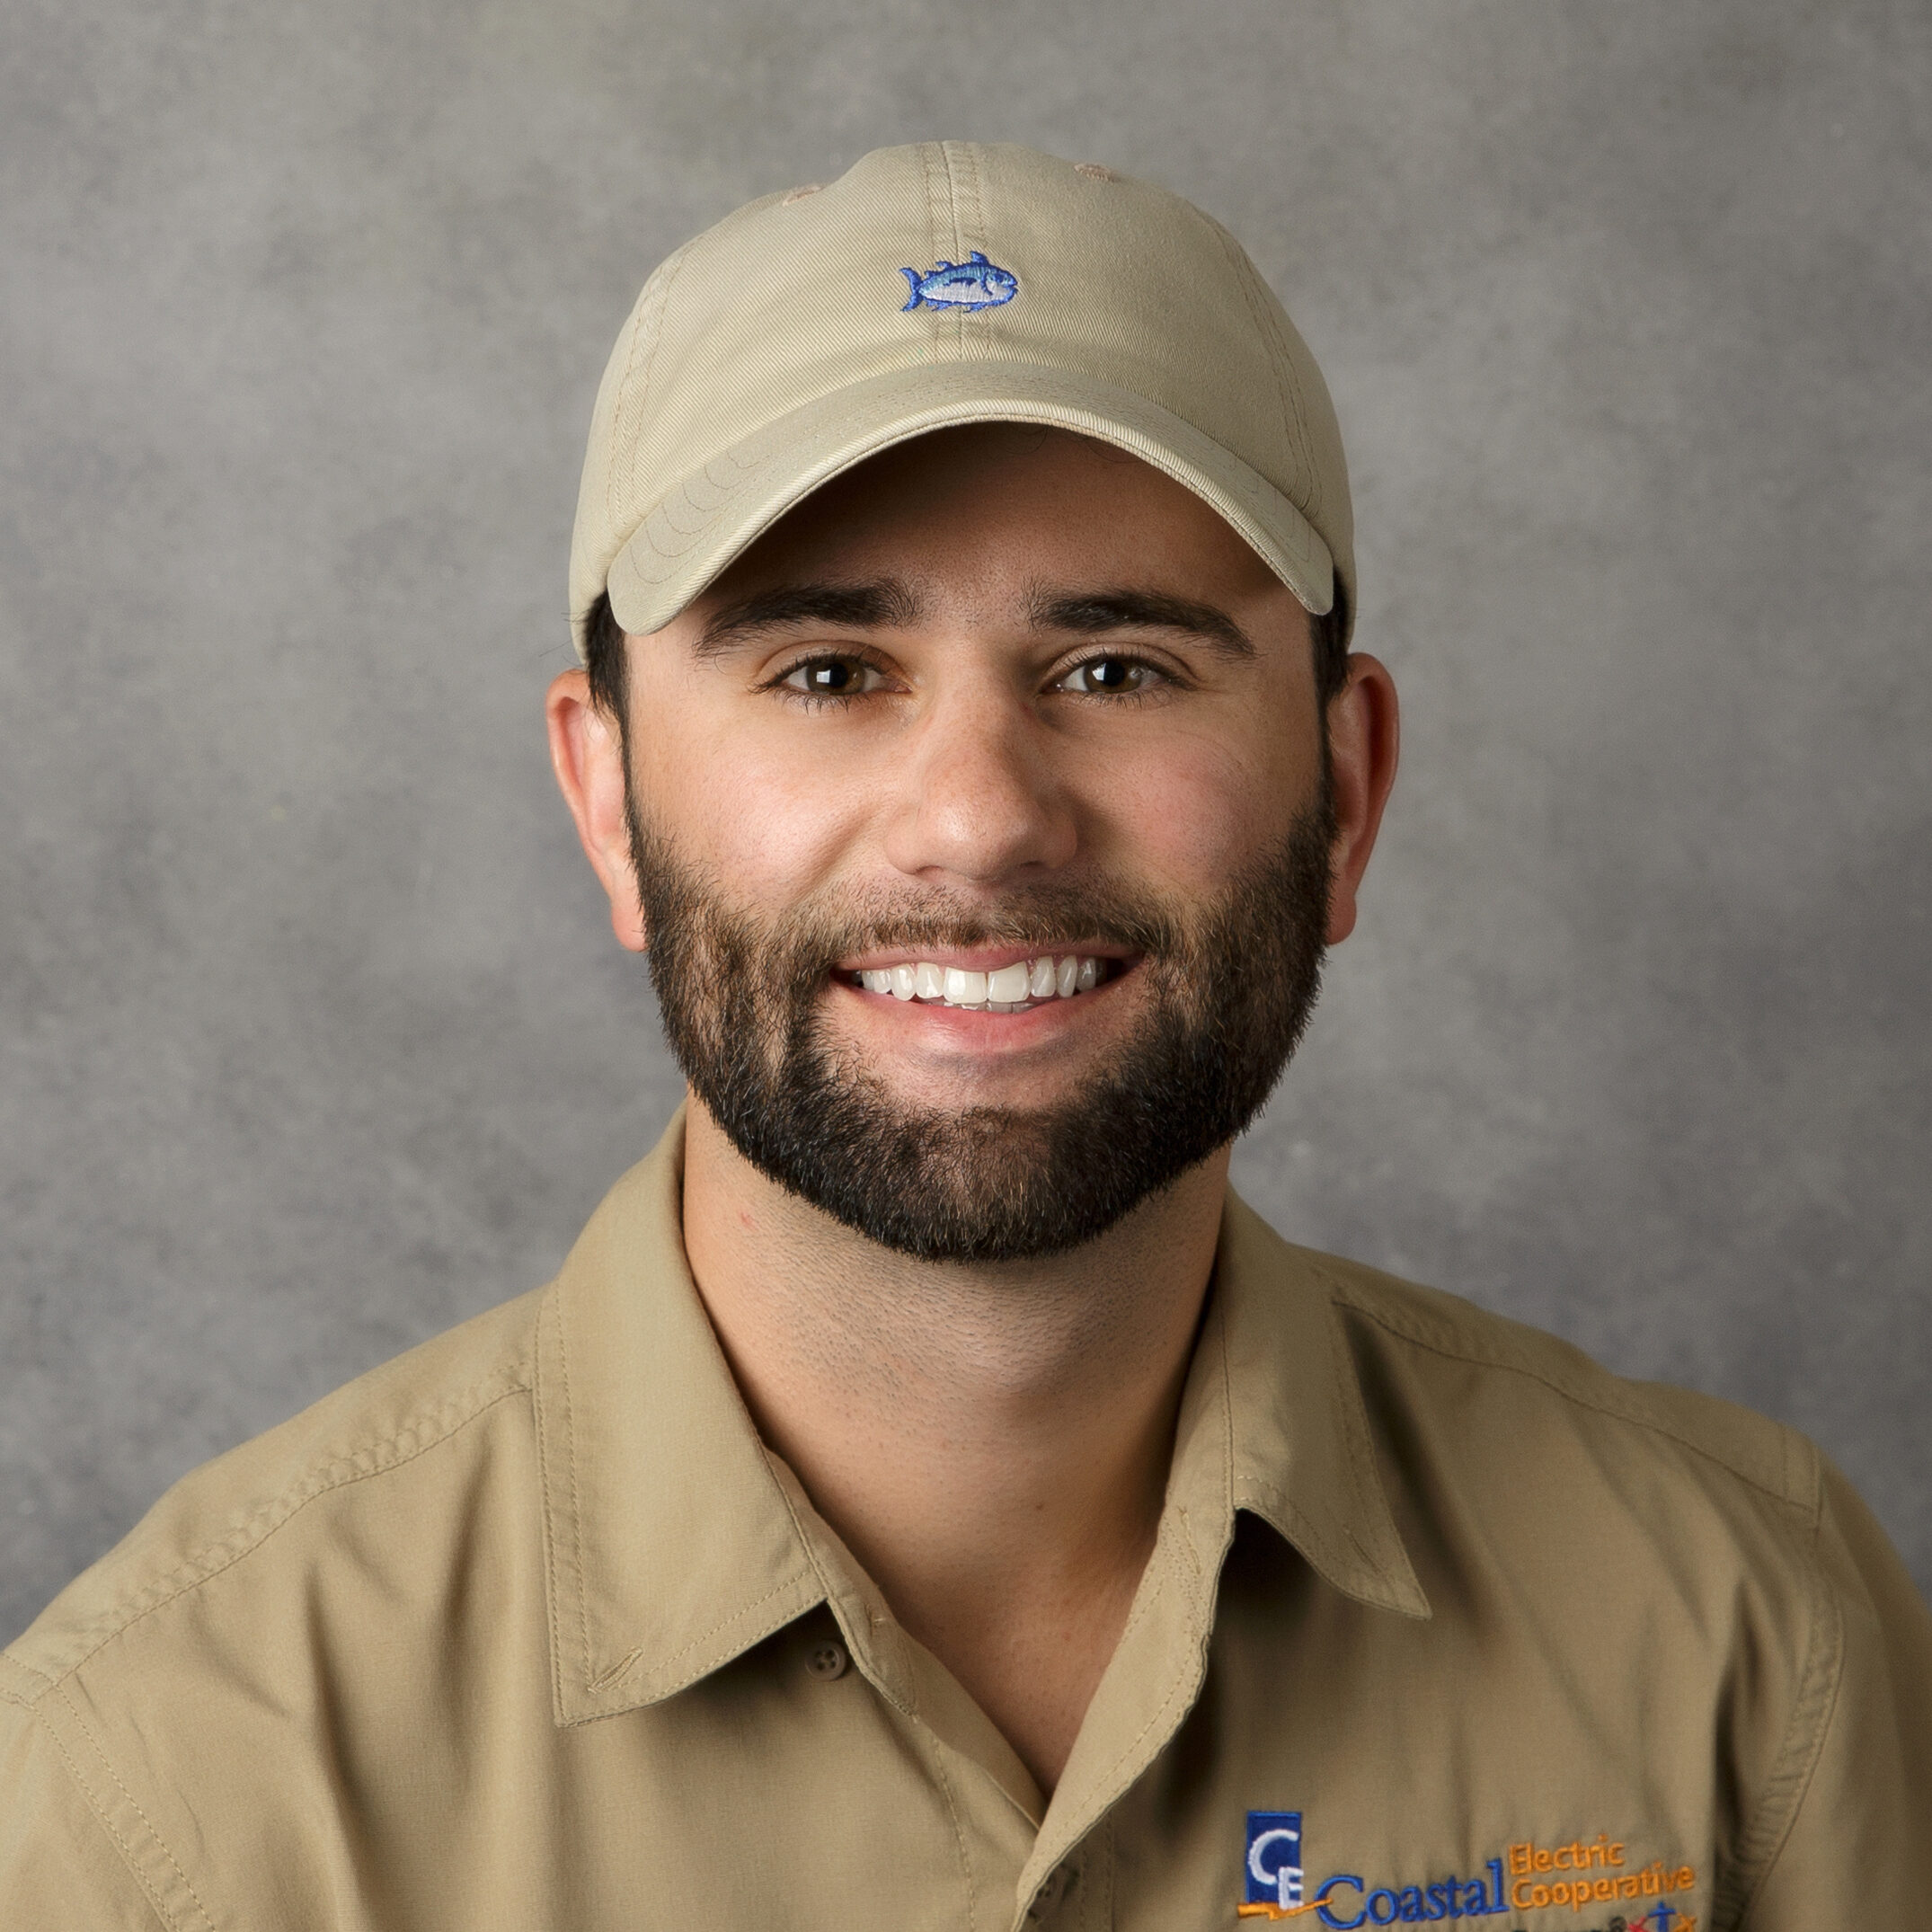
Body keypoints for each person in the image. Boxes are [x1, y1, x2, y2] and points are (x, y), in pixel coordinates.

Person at [2, 140, 1926, 1932]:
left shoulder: (1747, 1635)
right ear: (608, 803)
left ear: (1343, 791)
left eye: (1115, 667)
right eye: (826, 671)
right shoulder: (174, 1778)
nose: (981, 814)